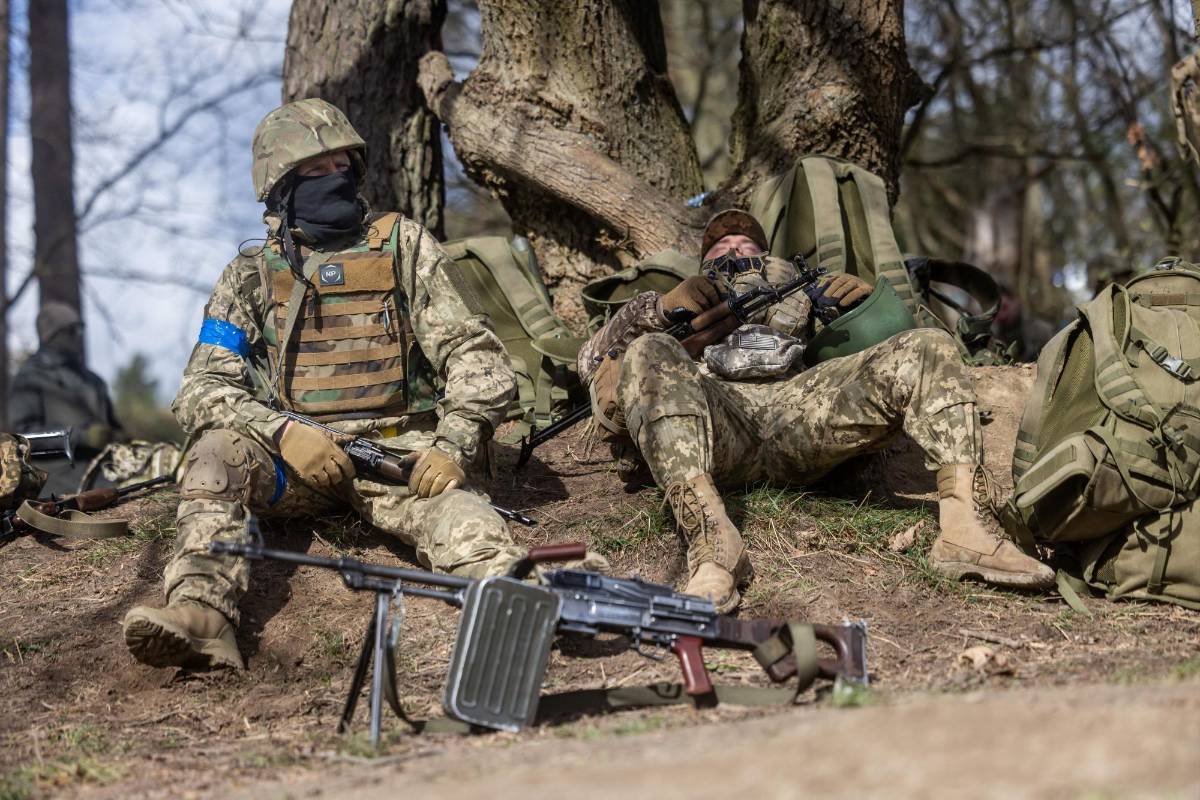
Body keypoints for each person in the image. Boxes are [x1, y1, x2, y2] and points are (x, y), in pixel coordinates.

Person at [122, 98, 597, 671]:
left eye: (342, 166)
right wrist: (284, 432)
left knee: (466, 527)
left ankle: (538, 598)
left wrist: (453, 444)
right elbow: (201, 387)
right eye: (314, 171)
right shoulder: (249, 275)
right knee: (212, 456)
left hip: (399, 454)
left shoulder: (403, 245)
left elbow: (477, 357)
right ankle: (202, 616)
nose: (334, 179)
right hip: (289, 461)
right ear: (280, 188)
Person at [579, 209, 1054, 612]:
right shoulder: (670, 298)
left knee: (928, 345)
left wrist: (866, 307)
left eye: (747, 242)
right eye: (721, 245)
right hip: (713, 420)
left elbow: (892, 353)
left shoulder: (802, 286)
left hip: (801, 415)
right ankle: (712, 548)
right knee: (648, 352)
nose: (734, 248)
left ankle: (964, 528)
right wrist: (662, 312)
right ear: (702, 261)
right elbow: (589, 361)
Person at [9, 302, 125, 495]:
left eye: (80, 329)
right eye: (72, 330)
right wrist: (80, 437)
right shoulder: (29, 378)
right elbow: (24, 436)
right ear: (52, 335)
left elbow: (116, 428)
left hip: (107, 472)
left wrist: (115, 437)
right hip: (58, 481)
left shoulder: (93, 380)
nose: (78, 337)